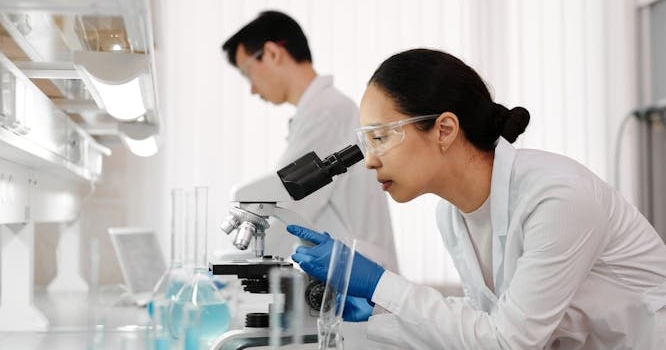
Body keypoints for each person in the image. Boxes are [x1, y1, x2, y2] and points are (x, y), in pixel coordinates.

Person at [289, 48, 666, 349]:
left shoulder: (558, 197)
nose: (369, 160)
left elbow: (510, 341)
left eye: (381, 137)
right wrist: (380, 314)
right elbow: (483, 327)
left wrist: (379, 283)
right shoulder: (451, 215)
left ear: (445, 129)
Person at [221, 11, 397, 271]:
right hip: (350, 274)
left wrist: (226, 272)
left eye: (248, 74)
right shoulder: (322, 111)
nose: (253, 89)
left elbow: (285, 203)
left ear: (271, 53)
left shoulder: (326, 113)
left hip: (360, 281)